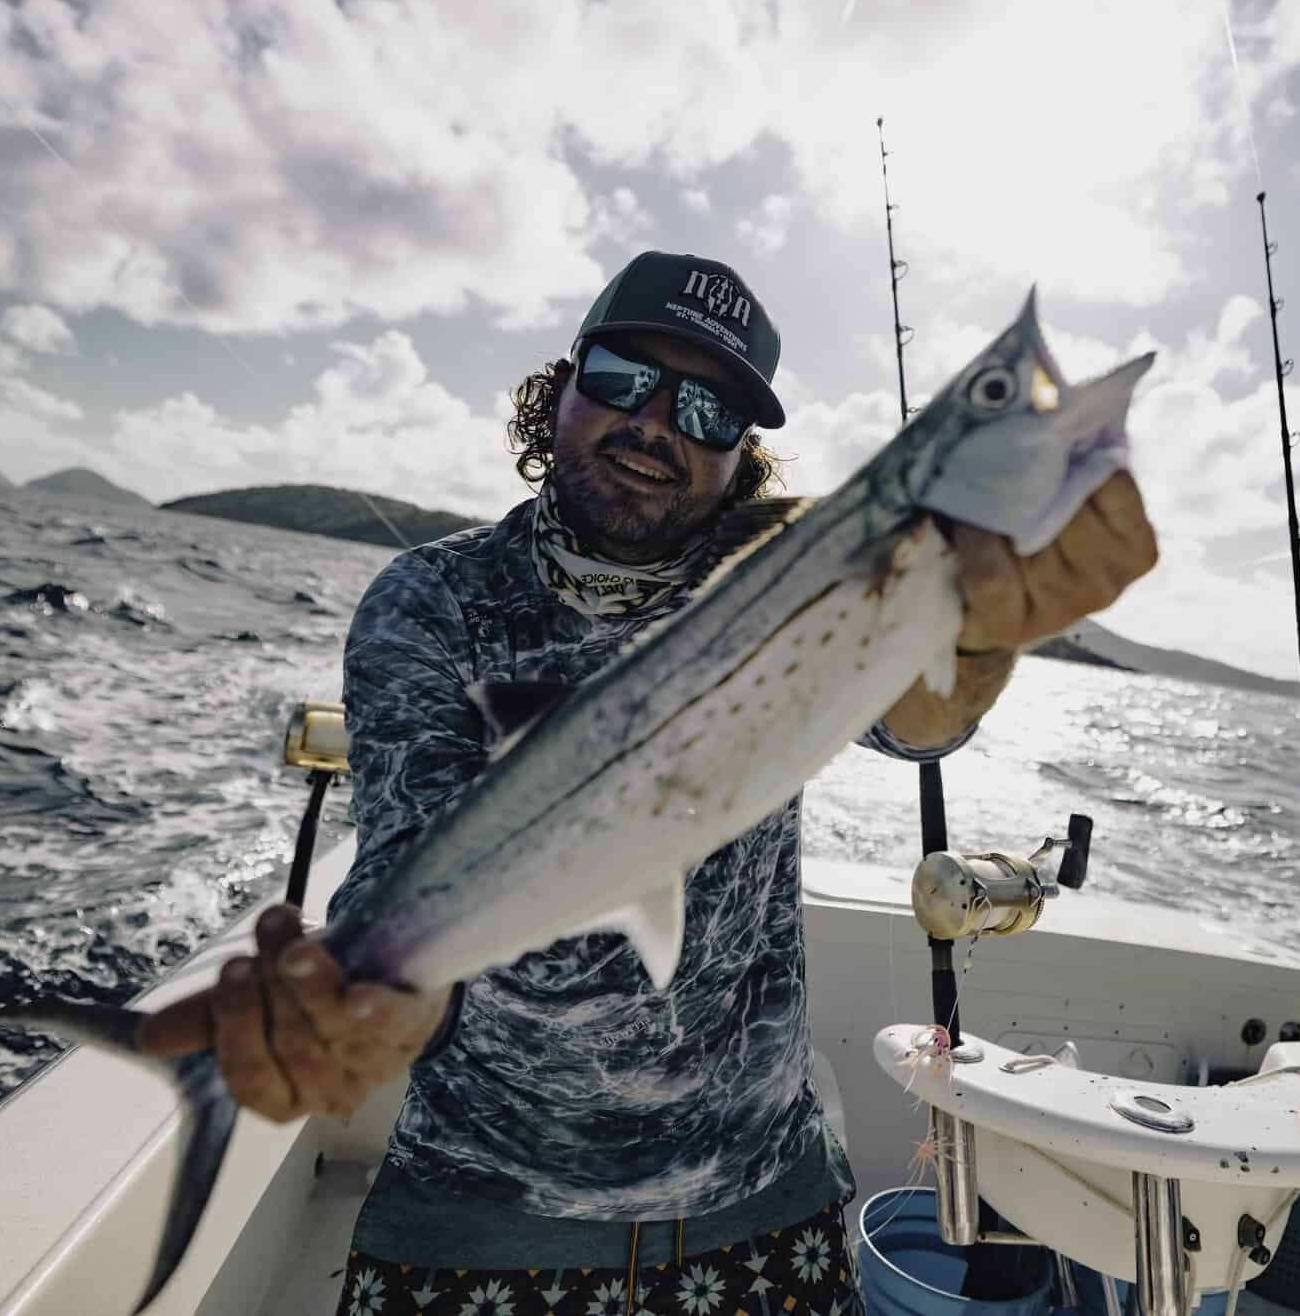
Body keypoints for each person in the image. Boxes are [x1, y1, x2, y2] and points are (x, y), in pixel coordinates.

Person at [141, 251, 1158, 1316]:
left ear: (740, 453)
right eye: (627, 378)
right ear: (563, 380)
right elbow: (402, 859)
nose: (657, 422)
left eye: (710, 411)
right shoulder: (434, 601)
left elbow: (912, 720)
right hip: (482, 1209)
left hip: (763, 1196)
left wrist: (983, 635)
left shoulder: (787, 567)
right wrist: (369, 1007)